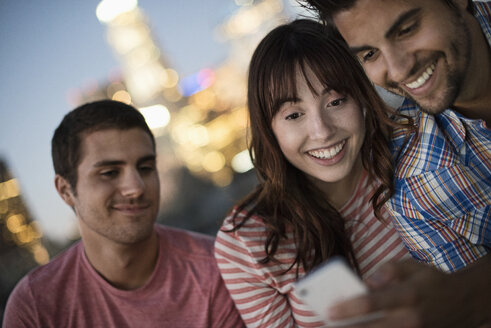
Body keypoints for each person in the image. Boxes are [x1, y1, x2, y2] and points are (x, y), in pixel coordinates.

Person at [300, 0, 491, 326]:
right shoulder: (416, 188)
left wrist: (474, 290)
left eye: (406, 29)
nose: (399, 69)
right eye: (370, 54)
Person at [214, 19, 415, 327]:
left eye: (335, 101)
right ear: (269, 130)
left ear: (361, 98)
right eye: (294, 115)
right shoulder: (248, 241)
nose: (321, 132)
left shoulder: (411, 158)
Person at [2, 100, 244, 328]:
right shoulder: (35, 306)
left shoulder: (217, 268)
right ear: (66, 191)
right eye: (109, 173)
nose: (136, 187)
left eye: (146, 168)